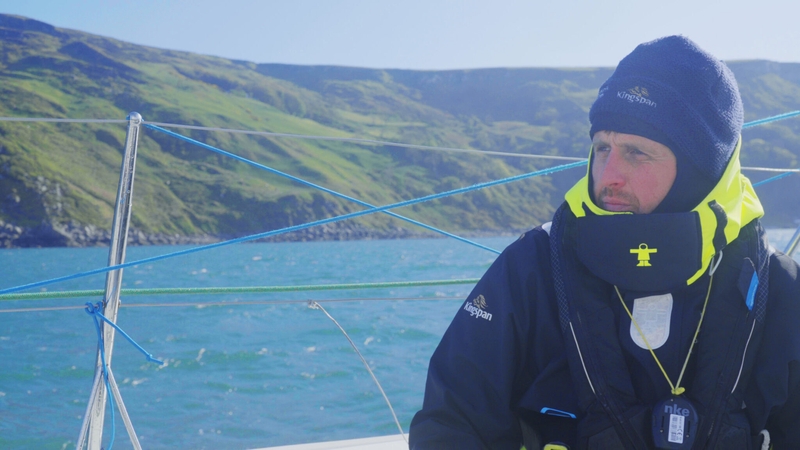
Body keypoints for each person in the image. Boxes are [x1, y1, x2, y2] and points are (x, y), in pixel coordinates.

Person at [408, 35, 800, 449]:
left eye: (636, 152)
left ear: (701, 173)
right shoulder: (532, 269)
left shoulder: (779, 291)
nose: (608, 175)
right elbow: (452, 422)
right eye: (602, 147)